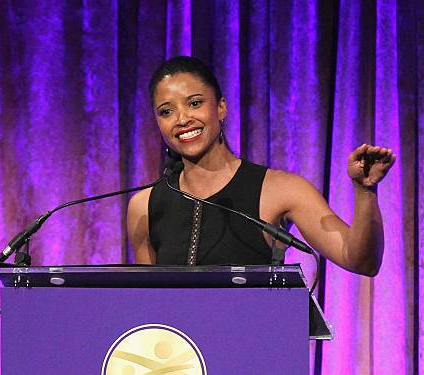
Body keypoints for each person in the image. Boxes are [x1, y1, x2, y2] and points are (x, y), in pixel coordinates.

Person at [128, 56, 395, 273]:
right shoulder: (144, 206)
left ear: (220, 108)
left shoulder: (281, 190)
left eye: (195, 103)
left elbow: (361, 260)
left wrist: (364, 192)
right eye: (166, 111)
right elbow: (149, 309)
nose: (182, 118)